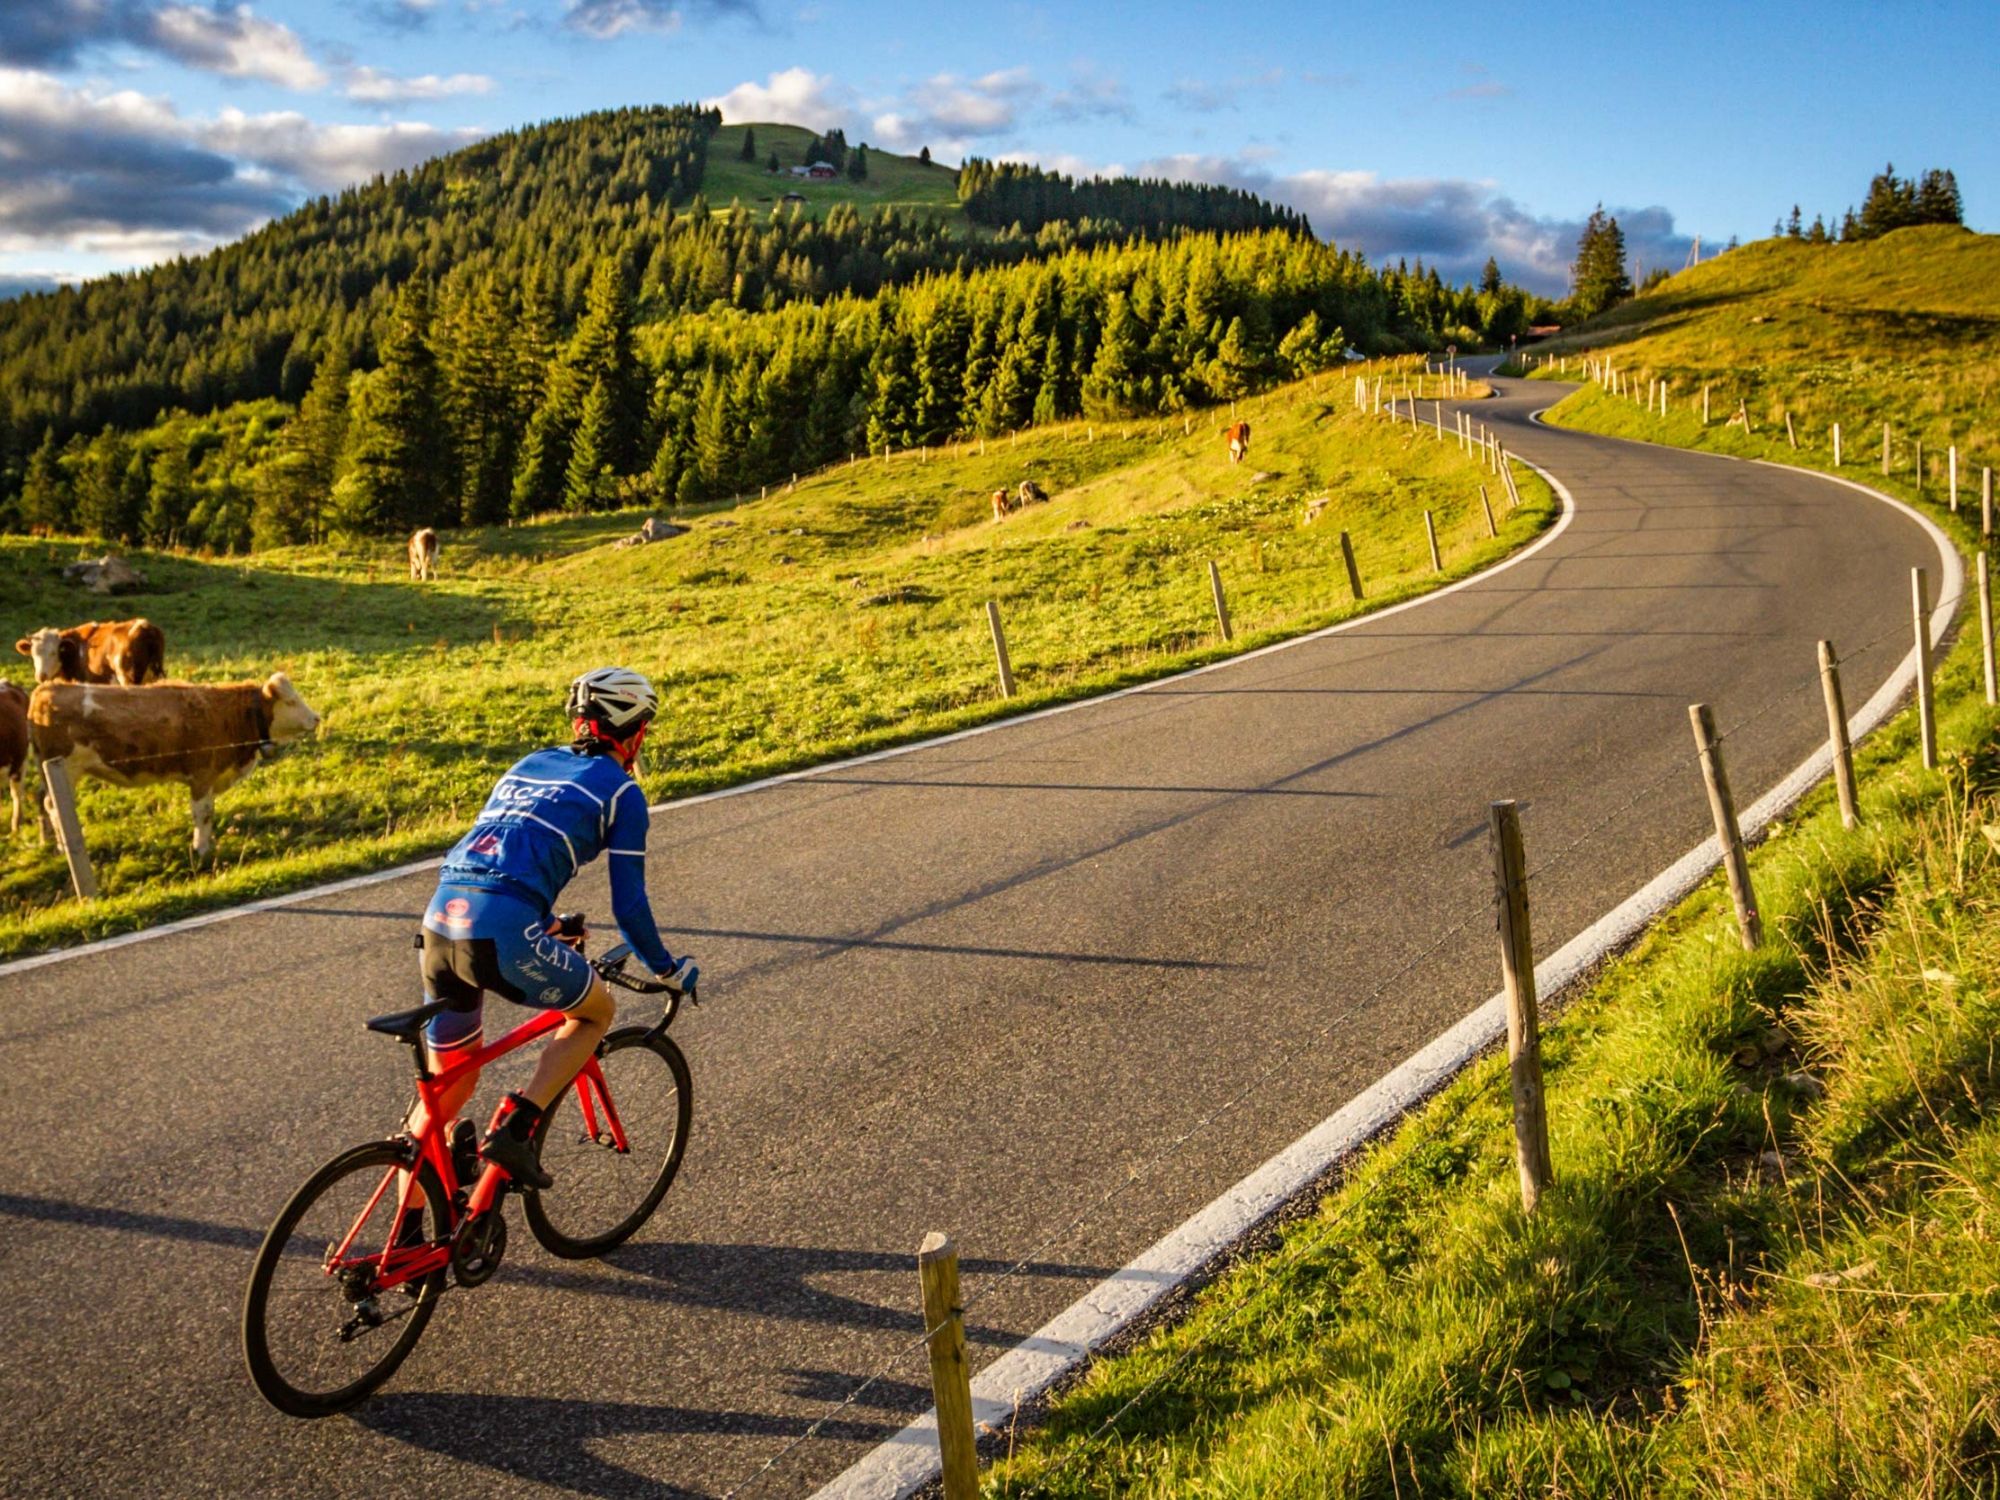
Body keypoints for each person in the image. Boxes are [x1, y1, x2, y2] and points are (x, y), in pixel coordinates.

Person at [415, 667, 696, 1190]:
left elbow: (494, 856)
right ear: (633, 731)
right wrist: (668, 969)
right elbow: (630, 906)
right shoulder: (622, 793)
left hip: (439, 919)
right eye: (646, 727)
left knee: (445, 1091)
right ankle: (517, 1129)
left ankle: (412, 1240)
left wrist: (547, 923)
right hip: (501, 928)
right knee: (595, 1013)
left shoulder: (529, 764)